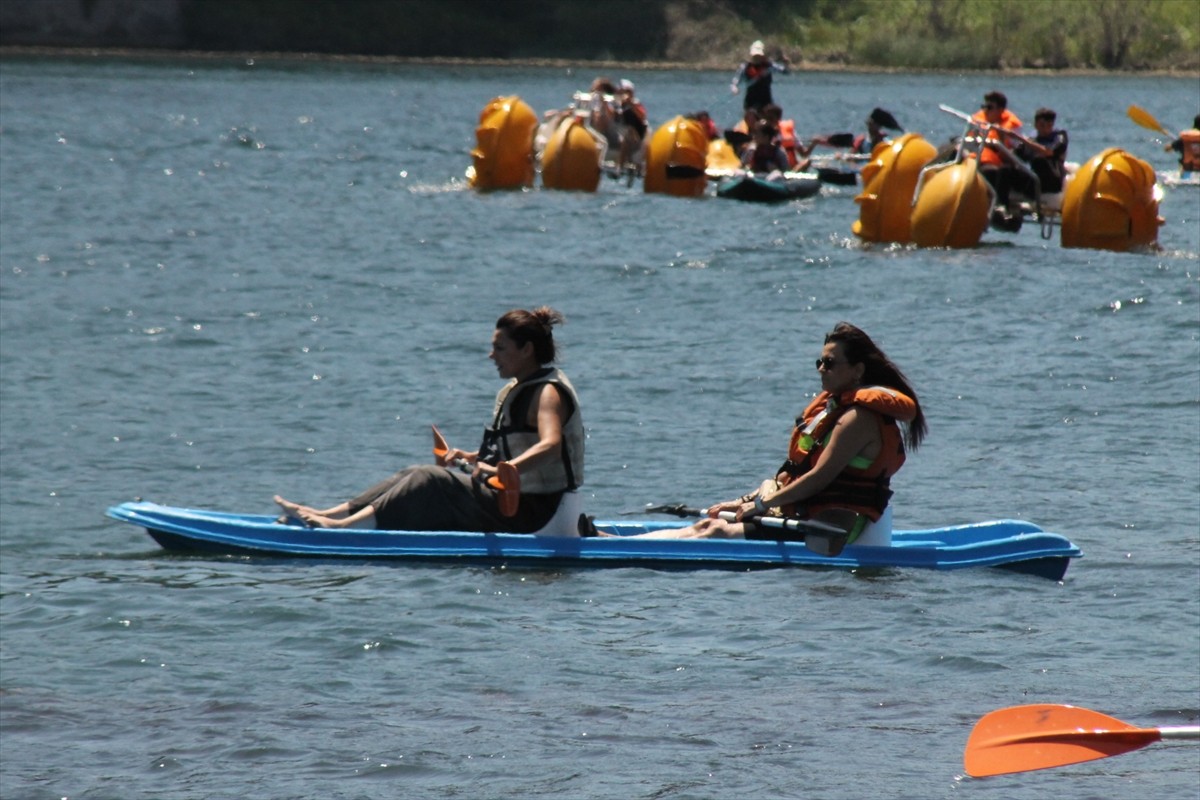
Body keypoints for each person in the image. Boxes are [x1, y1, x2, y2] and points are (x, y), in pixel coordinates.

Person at [274, 308, 585, 534]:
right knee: (412, 472)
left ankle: (346, 529)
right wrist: (473, 458)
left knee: (430, 479)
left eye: (500, 348)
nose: (491, 355)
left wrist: (505, 469)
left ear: (527, 350)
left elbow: (550, 445)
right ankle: (331, 514)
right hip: (514, 502)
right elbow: (514, 449)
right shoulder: (519, 388)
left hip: (538, 513)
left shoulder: (547, 392)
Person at [631, 323, 926, 543]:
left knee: (716, 530)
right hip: (808, 512)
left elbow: (819, 478)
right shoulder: (833, 408)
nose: (821, 369)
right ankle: (618, 542)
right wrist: (745, 500)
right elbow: (797, 472)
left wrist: (761, 505)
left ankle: (621, 547)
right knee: (708, 525)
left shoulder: (858, 419)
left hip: (833, 527)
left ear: (857, 371)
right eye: (819, 362)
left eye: (830, 363)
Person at [971, 91, 1024, 216]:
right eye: (984, 107)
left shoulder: (1011, 127)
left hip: (996, 165)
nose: (985, 111)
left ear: (1000, 110)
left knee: (991, 172)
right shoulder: (978, 121)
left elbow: (1014, 156)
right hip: (974, 161)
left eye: (989, 107)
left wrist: (1001, 138)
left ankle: (997, 206)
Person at [1012, 107, 1069, 196]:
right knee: (1006, 170)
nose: (1045, 129)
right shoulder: (1031, 139)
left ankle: (1034, 196)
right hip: (1034, 178)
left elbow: (1049, 152)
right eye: (1042, 125)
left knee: (1039, 161)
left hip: (1054, 178)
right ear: (1035, 125)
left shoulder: (1060, 136)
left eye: (1049, 125)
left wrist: (1022, 140)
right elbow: (1016, 156)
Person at [730, 40, 789, 113]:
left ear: (762, 56)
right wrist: (734, 88)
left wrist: (786, 64)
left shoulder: (769, 66)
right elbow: (734, 82)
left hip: (766, 101)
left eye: (759, 56)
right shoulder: (745, 67)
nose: (757, 58)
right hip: (751, 102)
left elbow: (785, 71)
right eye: (755, 56)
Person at [614, 78, 648, 172]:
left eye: (625, 92)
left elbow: (642, 116)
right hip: (619, 134)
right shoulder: (615, 104)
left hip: (636, 137)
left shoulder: (635, 104)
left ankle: (619, 167)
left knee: (627, 137)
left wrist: (631, 104)